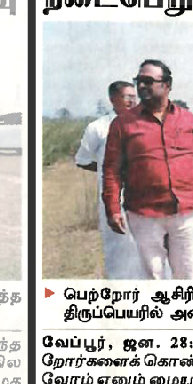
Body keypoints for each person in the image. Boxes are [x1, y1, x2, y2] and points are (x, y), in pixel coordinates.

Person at [102, 59, 193, 280]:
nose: (141, 86)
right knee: (153, 275)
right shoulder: (123, 124)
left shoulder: (188, 120)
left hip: (184, 209)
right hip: (144, 212)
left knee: (188, 272)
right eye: (139, 81)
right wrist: (112, 208)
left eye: (148, 81)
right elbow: (112, 170)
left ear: (167, 85)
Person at [75, 81, 148, 279]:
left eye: (134, 97)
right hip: (114, 197)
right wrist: (109, 171)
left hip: (144, 195)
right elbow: (82, 160)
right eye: (127, 97)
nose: (132, 101)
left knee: (148, 244)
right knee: (119, 244)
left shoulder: (145, 123)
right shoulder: (98, 128)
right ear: (113, 99)